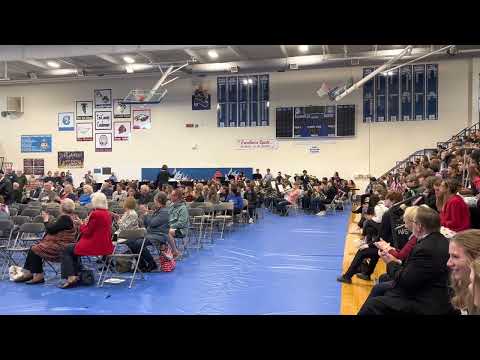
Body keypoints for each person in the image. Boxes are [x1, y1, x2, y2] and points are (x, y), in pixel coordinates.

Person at [358, 206, 454, 315]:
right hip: (431, 292)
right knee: (382, 292)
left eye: (414, 222)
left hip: (425, 301)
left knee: (373, 305)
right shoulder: (442, 241)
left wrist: (390, 262)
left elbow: (405, 282)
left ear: (419, 226)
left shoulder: (424, 248)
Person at [13, 199, 80, 285]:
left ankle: (38, 275)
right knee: (35, 247)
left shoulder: (65, 218)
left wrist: (46, 219)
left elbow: (51, 230)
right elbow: (56, 229)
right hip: (65, 244)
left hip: (61, 246)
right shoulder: (72, 217)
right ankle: (30, 273)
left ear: (61, 208)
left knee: (35, 249)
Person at [59, 193, 113, 288]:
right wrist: (84, 224)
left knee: (66, 249)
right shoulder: (107, 213)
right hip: (104, 245)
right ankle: (75, 274)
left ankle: (71, 276)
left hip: (94, 245)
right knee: (72, 249)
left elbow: (87, 231)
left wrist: (80, 224)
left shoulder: (96, 214)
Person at [126, 192, 170, 271]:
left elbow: (152, 223)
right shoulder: (157, 210)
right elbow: (148, 224)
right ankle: (141, 264)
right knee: (130, 241)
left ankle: (151, 263)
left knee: (138, 243)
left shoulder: (164, 212)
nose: (154, 202)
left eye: (155, 200)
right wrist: (145, 216)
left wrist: (146, 214)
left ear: (158, 200)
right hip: (151, 233)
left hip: (159, 236)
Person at [447, 229, 480, 314]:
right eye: (450, 256)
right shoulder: (461, 282)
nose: (448, 263)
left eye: (455, 256)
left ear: (476, 259)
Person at [168, 189, 189, 258]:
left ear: (176, 197)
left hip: (181, 230)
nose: (170, 196)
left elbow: (181, 223)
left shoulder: (183, 208)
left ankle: (175, 252)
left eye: (171, 195)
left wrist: (169, 226)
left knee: (167, 232)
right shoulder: (171, 206)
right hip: (171, 228)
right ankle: (165, 252)